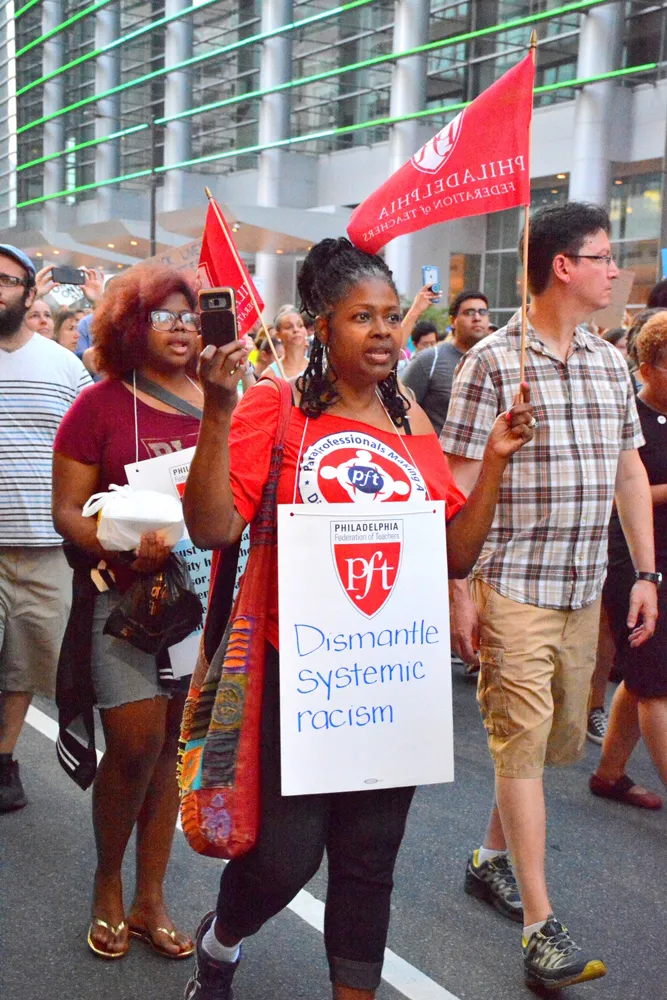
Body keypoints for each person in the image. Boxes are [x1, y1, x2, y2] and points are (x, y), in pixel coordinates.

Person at [181, 236, 535, 1000]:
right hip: (296, 671)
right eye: (360, 316)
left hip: (390, 678)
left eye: (389, 315)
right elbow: (211, 527)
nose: (382, 331)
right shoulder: (277, 408)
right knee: (282, 860)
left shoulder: (409, 421)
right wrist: (216, 408)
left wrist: (495, 464)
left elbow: (452, 555)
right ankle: (221, 941)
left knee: (370, 862)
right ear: (320, 324)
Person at [441, 202, 657, 991]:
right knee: (521, 742)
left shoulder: (608, 361)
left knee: (546, 743)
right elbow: (458, 486)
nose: (614, 270)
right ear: (563, 266)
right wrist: (458, 587)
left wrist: (645, 573)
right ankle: (540, 928)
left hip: (583, 585)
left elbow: (628, 471)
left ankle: (488, 858)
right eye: (602, 257)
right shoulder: (491, 364)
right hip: (511, 585)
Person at [52, 265, 200, 961]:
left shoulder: (222, 402)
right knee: (136, 745)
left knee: (172, 750)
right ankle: (108, 885)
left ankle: (151, 898)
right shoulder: (99, 405)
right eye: (164, 316)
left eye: (191, 316)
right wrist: (118, 541)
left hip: (204, 600)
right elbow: (66, 511)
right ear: (131, 326)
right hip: (125, 600)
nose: (181, 328)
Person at [0, 244, 91, 813]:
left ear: (31, 293)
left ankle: (4, 759)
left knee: (27, 664)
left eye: (7, 280)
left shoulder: (63, 367)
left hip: (47, 548)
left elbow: (89, 449)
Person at [590, 310, 667, 809]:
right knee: (656, 685)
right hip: (633, 565)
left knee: (642, 677)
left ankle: (609, 773)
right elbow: (617, 494)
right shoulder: (629, 420)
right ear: (648, 368)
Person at [402, 290, 491, 438]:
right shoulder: (430, 360)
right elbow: (401, 410)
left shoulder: (496, 362)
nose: (477, 318)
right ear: (453, 321)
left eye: (482, 312)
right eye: (469, 312)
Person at [271, 304, 308, 378]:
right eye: (288, 327)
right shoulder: (271, 374)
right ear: (278, 335)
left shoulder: (318, 368)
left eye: (300, 325)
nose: (296, 330)